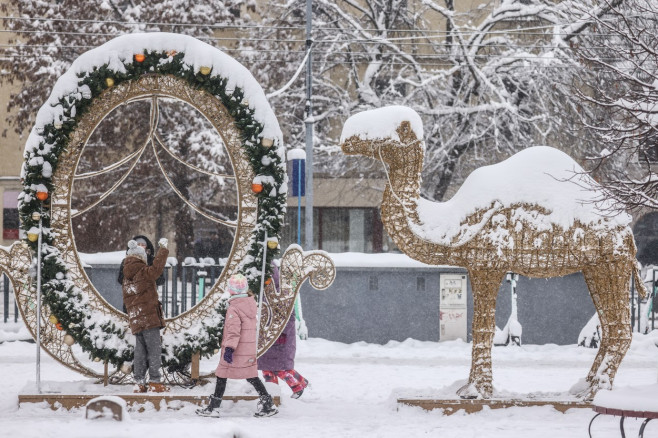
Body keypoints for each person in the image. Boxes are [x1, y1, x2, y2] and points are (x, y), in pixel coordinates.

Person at [196, 273, 278, 418]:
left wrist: (229, 349)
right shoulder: (250, 304)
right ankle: (267, 403)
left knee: (222, 375)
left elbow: (234, 332)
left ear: (231, 290)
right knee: (251, 375)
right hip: (247, 349)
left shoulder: (234, 308)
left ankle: (214, 408)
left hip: (236, 350)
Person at [122, 237, 169, 393]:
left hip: (136, 318)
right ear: (140, 258)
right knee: (154, 350)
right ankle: (155, 381)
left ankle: (139, 382)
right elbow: (156, 269)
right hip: (148, 317)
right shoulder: (142, 271)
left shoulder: (126, 276)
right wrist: (163, 250)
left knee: (140, 351)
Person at [257, 265, 309, 399]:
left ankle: (297, 386)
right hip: (270, 337)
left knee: (278, 367)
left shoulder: (281, 293)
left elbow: (286, 318)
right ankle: (275, 391)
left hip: (279, 337)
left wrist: (280, 333)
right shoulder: (265, 292)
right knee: (268, 367)